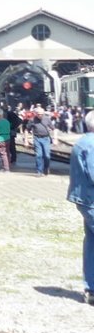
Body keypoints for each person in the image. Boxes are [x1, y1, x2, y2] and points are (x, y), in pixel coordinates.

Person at [67, 111, 94, 306]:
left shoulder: (83, 141)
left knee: (92, 244)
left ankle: (91, 288)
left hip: (84, 199)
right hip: (92, 199)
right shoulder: (93, 145)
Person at [30, 107, 54, 178]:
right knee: (38, 155)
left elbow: (53, 128)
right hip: (37, 138)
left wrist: (55, 138)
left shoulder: (47, 119)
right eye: (38, 114)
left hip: (46, 138)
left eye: (41, 114)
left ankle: (46, 168)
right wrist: (26, 140)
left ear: (43, 113)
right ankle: (39, 171)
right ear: (36, 114)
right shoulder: (32, 120)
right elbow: (26, 129)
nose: (40, 115)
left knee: (47, 155)